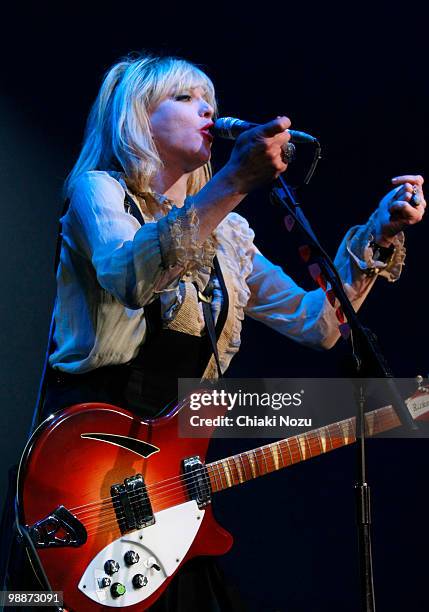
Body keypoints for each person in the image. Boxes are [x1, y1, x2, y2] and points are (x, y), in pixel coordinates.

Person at [5, 53, 426, 611]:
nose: (207, 110)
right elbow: (131, 276)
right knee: (41, 602)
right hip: (83, 466)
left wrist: (379, 232)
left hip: (170, 484)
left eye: (211, 101)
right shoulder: (98, 191)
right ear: (135, 117)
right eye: (184, 98)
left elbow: (319, 324)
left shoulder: (228, 233)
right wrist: (233, 181)